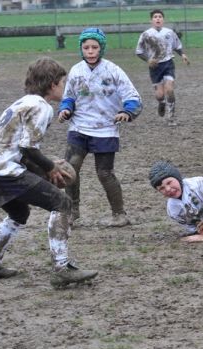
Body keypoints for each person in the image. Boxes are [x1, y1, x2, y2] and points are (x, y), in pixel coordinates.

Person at [0, 57, 98, 288]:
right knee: (61, 202)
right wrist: (50, 168)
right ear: (52, 84)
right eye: (64, 82)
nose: (66, 87)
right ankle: (62, 268)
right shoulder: (42, 107)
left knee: (18, 213)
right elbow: (27, 148)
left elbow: (20, 150)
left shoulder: (24, 101)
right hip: (3, 172)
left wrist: (43, 169)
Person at [59, 28, 142, 228]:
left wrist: (127, 112)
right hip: (79, 128)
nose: (90, 51)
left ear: (101, 48)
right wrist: (66, 110)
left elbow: (132, 96)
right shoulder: (76, 70)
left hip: (105, 130)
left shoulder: (113, 70)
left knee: (104, 173)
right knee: (70, 170)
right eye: (86, 47)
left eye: (94, 47)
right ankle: (72, 212)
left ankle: (119, 214)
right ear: (81, 49)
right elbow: (69, 96)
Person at [135, 9, 190, 126]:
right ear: (151, 20)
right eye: (155, 17)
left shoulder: (169, 32)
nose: (158, 18)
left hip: (168, 63)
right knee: (159, 95)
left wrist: (183, 55)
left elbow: (177, 45)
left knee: (169, 89)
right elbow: (139, 51)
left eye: (160, 16)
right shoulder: (146, 34)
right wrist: (148, 60)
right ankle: (161, 103)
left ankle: (171, 117)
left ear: (163, 19)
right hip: (155, 67)